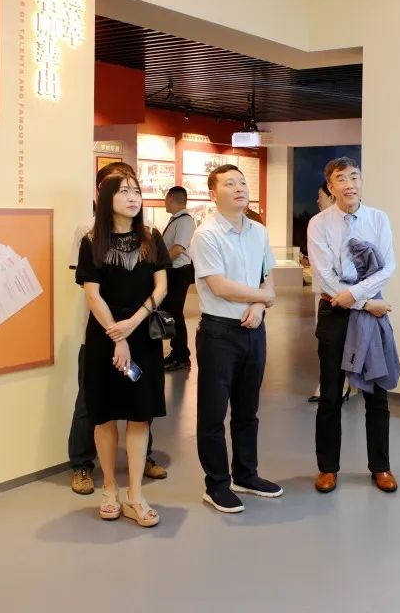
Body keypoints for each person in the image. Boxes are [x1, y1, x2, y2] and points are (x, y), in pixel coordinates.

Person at [76, 171, 168, 527]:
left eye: (136, 191)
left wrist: (133, 323)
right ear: (106, 198)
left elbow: (161, 287)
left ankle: (135, 494)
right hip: (105, 336)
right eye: (124, 191)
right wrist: (118, 336)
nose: (133, 197)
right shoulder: (91, 241)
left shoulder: (151, 237)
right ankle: (110, 489)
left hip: (142, 335)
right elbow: (92, 294)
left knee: (139, 414)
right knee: (104, 415)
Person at [189, 164, 282, 514]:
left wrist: (259, 306)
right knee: (213, 413)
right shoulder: (206, 234)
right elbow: (219, 286)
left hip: (254, 330)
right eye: (230, 183)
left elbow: (266, 277)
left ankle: (246, 474)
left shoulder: (259, 231)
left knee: (248, 410)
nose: (240, 187)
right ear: (214, 194)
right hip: (219, 333)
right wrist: (263, 298)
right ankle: (216, 484)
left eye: (242, 182)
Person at [308, 157, 398, 495]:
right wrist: (362, 302)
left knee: (377, 394)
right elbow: (323, 274)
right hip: (336, 310)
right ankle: (327, 468)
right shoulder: (318, 223)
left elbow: (387, 267)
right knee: (331, 395)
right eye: (341, 178)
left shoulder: (378, 218)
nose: (349, 184)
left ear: (361, 182)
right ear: (330, 187)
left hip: (370, 311)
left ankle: (381, 466)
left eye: (354, 177)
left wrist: (357, 298)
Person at [160, 186, 197, 372]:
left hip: (177, 273)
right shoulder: (177, 219)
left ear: (171, 198)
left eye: (166, 199)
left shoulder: (185, 221)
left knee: (175, 313)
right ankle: (176, 352)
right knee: (171, 312)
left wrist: (158, 264)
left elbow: (178, 248)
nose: (164, 202)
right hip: (171, 272)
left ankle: (182, 356)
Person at [308, 183, 336, 404]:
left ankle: (336, 386)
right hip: (324, 293)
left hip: (338, 294)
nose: (318, 200)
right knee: (325, 341)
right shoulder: (318, 223)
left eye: (321, 196)